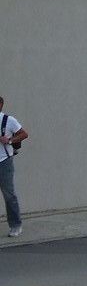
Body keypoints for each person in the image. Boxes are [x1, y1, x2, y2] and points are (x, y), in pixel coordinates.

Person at [0, 96, 28, 237]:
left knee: (8, 194)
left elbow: (24, 134)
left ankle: (16, 225)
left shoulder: (8, 120)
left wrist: (9, 140)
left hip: (4, 161)